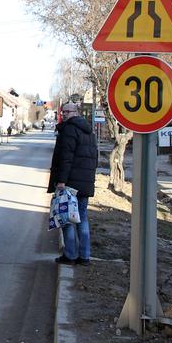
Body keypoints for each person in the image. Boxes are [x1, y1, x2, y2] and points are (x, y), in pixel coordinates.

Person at [47, 102, 99, 266]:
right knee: (82, 218)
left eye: (66, 112)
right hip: (85, 182)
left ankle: (70, 255)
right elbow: (94, 158)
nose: (63, 115)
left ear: (75, 112)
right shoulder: (89, 131)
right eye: (62, 112)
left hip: (71, 183)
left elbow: (66, 158)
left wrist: (61, 181)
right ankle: (84, 256)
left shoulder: (70, 129)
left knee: (67, 219)